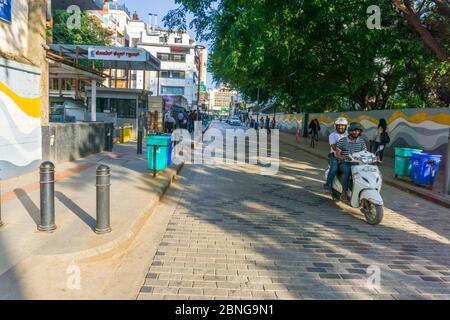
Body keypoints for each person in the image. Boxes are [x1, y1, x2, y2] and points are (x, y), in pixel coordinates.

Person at [335, 122, 367, 202]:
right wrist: (342, 157)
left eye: (358, 131)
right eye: (354, 131)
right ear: (349, 131)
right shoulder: (342, 141)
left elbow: (364, 153)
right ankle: (344, 192)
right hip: (344, 162)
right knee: (347, 171)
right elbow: (337, 154)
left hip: (357, 163)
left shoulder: (362, 141)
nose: (356, 132)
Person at [324, 117, 348, 193]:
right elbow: (334, 147)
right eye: (339, 125)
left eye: (343, 125)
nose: (341, 127)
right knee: (334, 167)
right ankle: (327, 186)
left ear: (346, 126)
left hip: (349, 156)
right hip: (335, 156)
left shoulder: (349, 134)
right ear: (336, 126)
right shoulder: (332, 135)